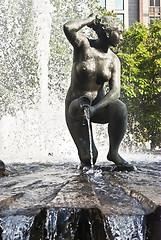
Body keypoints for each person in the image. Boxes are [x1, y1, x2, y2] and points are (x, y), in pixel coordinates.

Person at [63, 14, 134, 170]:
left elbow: (115, 91)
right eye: (119, 32)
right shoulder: (83, 45)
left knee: (120, 107)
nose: (121, 37)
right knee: (89, 158)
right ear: (108, 33)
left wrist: (95, 108)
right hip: (76, 108)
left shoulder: (114, 60)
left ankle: (114, 152)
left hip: (98, 107)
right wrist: (89, 20)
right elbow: (68, 27)